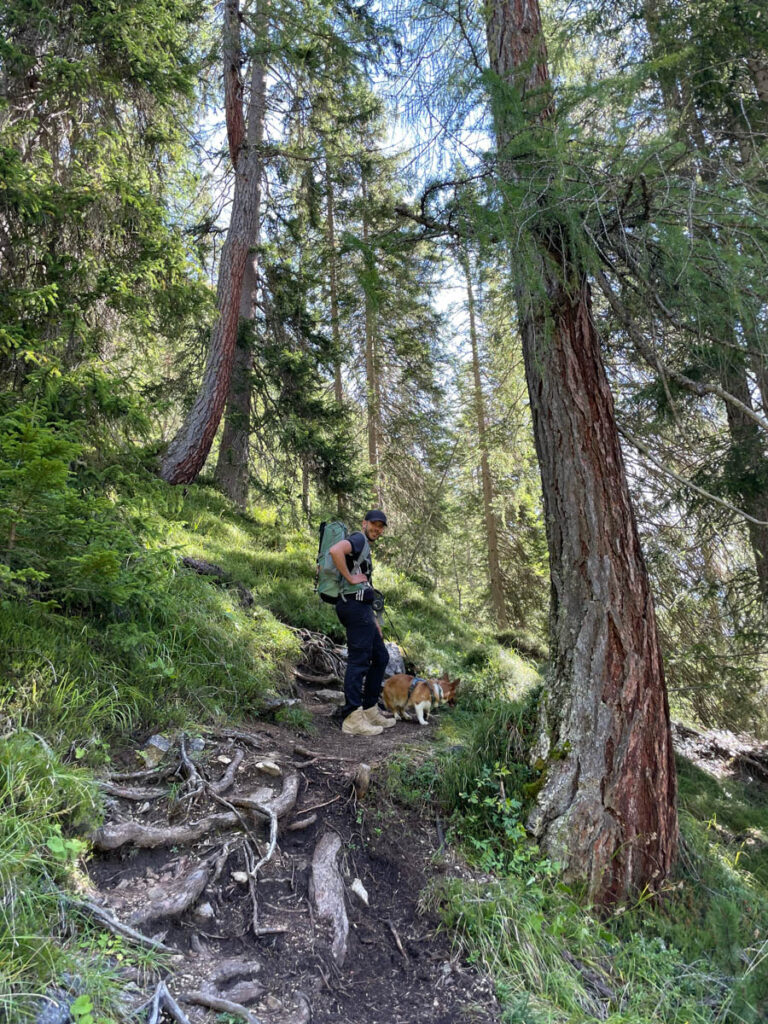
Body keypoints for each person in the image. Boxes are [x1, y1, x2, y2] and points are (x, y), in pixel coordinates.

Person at [329, 509, 396, 736]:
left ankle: (369, 710)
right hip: (353, 607)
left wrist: (374, 619)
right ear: (364, 523)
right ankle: (352, 718)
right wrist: (349, 578)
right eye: (374, 524)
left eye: (381, 527)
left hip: (362, 610)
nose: (377, 529)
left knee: (381, 657)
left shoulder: (364, 547)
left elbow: (364, 585)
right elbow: (335, 550)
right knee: (359, 661)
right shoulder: (358, 538)